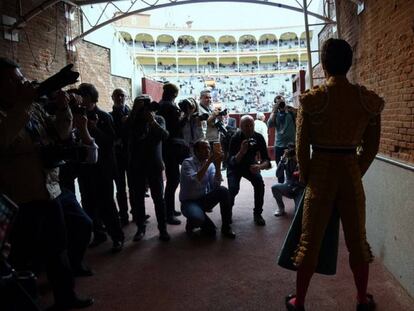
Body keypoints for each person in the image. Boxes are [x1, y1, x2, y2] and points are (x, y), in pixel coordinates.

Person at [285, 38, 384, 311]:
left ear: (324, 64)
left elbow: (301, 148)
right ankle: (362, 299)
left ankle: (300, 301)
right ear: (349, 63)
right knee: (357, 241)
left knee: (309, 242)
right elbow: (372, 147)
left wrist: (308, 176)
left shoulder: (312, 100)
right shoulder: (367, 100)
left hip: (321, 175)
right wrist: (355, 170)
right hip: (350, 173)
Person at [0, 58, 93, 309]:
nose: (23, 83)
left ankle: (66, 297)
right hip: (19, 199)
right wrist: (23, 105)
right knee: (21, 260)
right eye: (15, 79)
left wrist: (64, 110)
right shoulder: (10, 112)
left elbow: (60, 134)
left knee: (58, 248)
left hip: (49, 191)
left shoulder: (34, 108)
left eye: (22, 78)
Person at [76, 83, 125, 253]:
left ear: (90, 97)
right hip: (84, 168)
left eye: (82, 95)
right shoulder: (75, 115)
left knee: (107, 205)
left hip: (102, 168)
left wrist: (93, 128)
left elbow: (111, 141)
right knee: (88, 204)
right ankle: (98, 234)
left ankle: (117, 237)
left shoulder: (104, 116)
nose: (80, 99)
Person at [127, 95, 170, 242]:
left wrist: (152, 121)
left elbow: (165, 136)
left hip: (154, 165)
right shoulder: (132, 120)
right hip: (137, 165)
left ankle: (163, 229)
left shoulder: (158, 119)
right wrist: (134, 112)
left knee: (159, 199)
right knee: (138, 199)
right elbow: (124, 133)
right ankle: (140, 228)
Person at [179, 140, 235, 239]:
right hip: (188, 202)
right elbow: (195, 180)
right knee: (208, 229)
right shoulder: (187, 163)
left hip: (202, 200)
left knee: (223, 191)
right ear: (196, 151)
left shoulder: (211, 165)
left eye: (209, 148)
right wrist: (209, 161)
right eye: (204, 148)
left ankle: (226, 227)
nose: (208, 150)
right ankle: (191, 222)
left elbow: (215, 185)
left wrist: (217, 165)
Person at [227, 115, 271, 226]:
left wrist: (259, 167)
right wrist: (241, 152)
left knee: (259, 184)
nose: (249, 128)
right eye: (246, 126)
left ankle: (258, 214)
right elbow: (231, 161)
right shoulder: (235, 138)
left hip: (251, 166)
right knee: (233, 189)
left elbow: (267, 161)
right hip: (235, 166)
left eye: (251, 125)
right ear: (240, 126)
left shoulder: (258, 137)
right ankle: (227, 212)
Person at [157, 83, 186, 224]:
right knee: (173, 180)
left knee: (171, 180)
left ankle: (169, 209)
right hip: (172, 148)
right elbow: (177, 127)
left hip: (165, 147)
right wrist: (187, 115)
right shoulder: (170, 106)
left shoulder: (160, 104)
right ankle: (168, 213)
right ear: (175, 94)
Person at [110, 88, 131, 226]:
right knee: (120, 187)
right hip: (117, 156)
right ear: (112, 97)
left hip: (130, 154)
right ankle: (123, 214)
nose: (119, 98)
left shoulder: (133, 114)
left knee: (135, 186)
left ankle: (136, 212)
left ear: (126, 97)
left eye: (122, 95)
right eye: (117, 95)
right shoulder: (109, 116)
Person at [267, 96, 296, 183]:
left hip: (291, 144)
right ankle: (280, 184)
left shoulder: (291, 112)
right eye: (278, 103)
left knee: (292, 166)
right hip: (279, 144)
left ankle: (290, 182)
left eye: (282, 101)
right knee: (279, 166)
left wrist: (291, 109)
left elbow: (299, 116)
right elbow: (269, 125)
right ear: (276, 104)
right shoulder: (275, 114)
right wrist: (274, 111)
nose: (281, 104)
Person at [271, 143, 304, 217]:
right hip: (289, 187)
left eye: (294, 150)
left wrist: (298, 161)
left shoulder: (303, 159)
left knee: (298, 214)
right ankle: (281, 208)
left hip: (300, 189)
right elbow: (278, 175)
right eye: (289, 150)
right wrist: (282, 160)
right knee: (275, 187)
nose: (292, 152)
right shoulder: (286, 160)